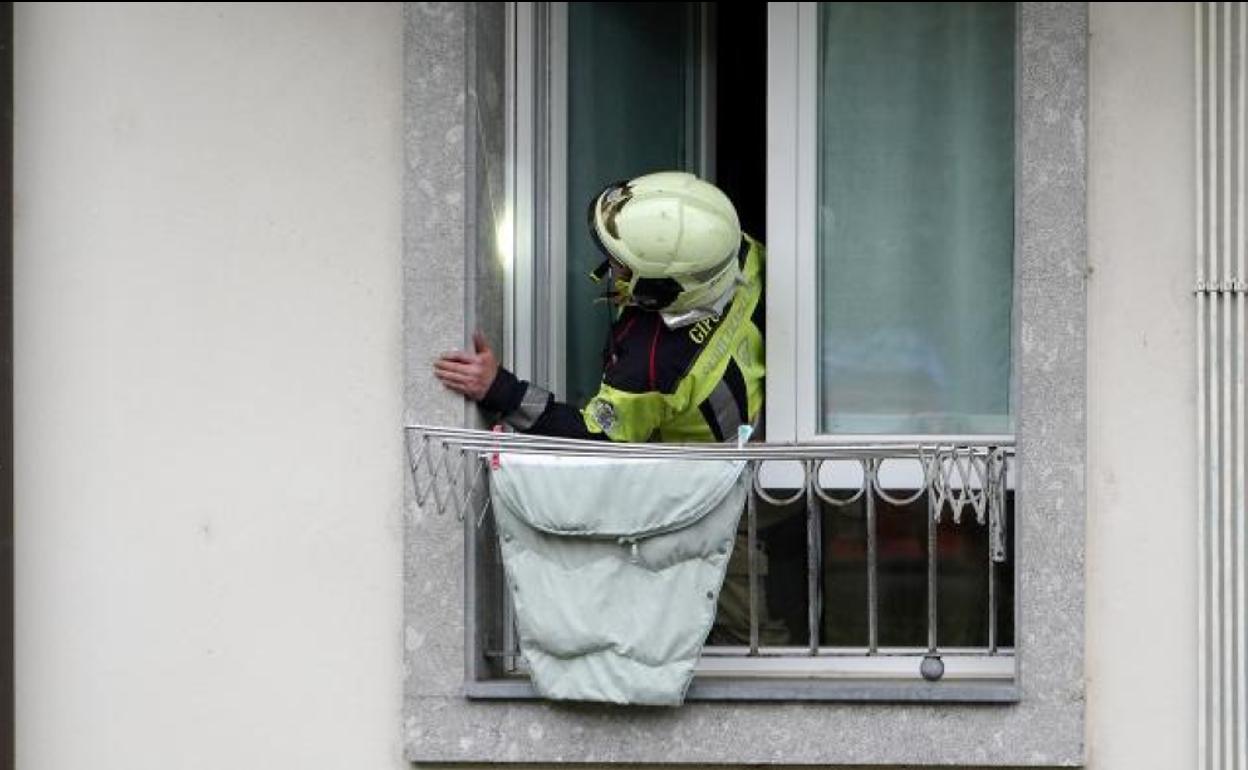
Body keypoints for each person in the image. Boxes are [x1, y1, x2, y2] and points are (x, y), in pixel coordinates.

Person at [434, 171, 765, 443]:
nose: (611, 266)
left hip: (717, 480)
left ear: (660, 289)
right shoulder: (734, 251)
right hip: (763, 421)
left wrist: (501, 390)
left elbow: (593, 435)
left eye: (622, 264)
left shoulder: (651, 364)